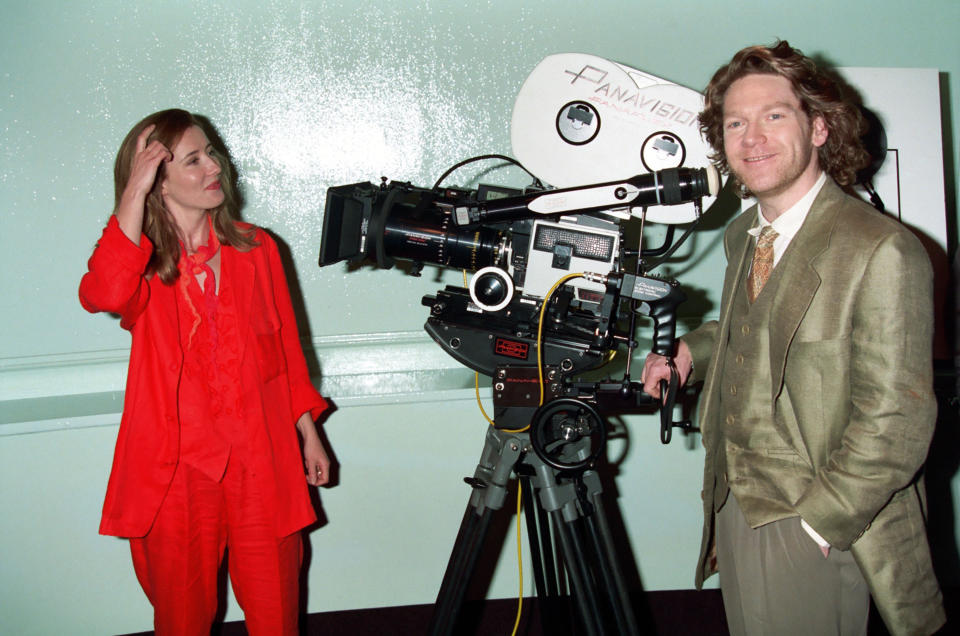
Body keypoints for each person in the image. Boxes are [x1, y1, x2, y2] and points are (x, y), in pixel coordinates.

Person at [641, 42, 945, 635]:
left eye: (774, 116)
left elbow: (897, 422)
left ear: (821, 127)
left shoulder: (882, 250)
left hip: (817, 516)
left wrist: (818, 524)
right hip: (733, 500)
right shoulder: (744, 236)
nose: (752, 138)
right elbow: (754, 324)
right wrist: (690, 351)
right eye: (735, 123)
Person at [79, 109, 332, 635]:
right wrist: (131, 194)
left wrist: (308, 432)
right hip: (177, 473)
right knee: (183, 618)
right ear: (157, 182)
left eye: (211, 153)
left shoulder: (257, 248)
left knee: (276, 611)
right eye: (193, 160)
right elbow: (103, 293)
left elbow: (282, 350)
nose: (214, 166)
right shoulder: (142, 262)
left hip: (261, 459)